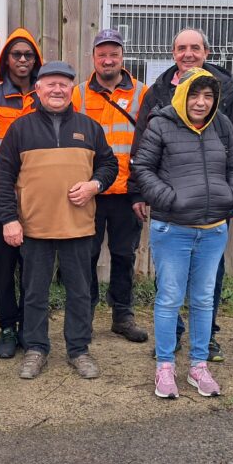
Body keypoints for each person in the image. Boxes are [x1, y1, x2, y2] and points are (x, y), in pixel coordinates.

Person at [131, 28, 233, 361]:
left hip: (213, 213)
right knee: (169, 285)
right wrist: (156, 196)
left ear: (206, 53)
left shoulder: (225, 91)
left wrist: (230, 193)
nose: (188, 53)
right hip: (174, 215)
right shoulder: (157, 93)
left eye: (195, 47)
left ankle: (207, 338)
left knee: (208, 285)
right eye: (181, 48)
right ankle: (173, 339)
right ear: (173, 53)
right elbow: (143, 154)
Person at [0, 61, 118, 380]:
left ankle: (79, 349)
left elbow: (109, 165)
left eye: (64, 84)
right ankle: (36, 348)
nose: (57, 89)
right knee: (34, 292)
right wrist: (9, 219)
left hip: (78, 226)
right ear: (38, 89)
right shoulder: (20, 129)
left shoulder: (89, 127)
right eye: (50, 83)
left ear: (72, 89)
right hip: (34, 227)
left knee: (79, 291)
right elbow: (3, 176)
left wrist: (95, 185)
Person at [72, 29, 148, 343]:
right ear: (93, 58)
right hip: (90, 192)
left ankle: (123, 314)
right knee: (85, 255)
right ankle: (84, 315)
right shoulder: (77, 94)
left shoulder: (143, 93)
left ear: (122, 57)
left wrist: (141, 191)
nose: (108, 60)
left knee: (124, 255)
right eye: (102, 54)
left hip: (127, 193)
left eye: (113, 54)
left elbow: (148, 143)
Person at [0, 28, 43, 359]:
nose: (22, 60)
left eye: (28, 55)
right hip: (0, 201)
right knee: (4, 270)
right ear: (6, 59)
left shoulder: (46, 98)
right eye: (16, 54)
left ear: (36, 61)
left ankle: (32, 328)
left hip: (38, 203)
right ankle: (7, 327)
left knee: (34, 271)